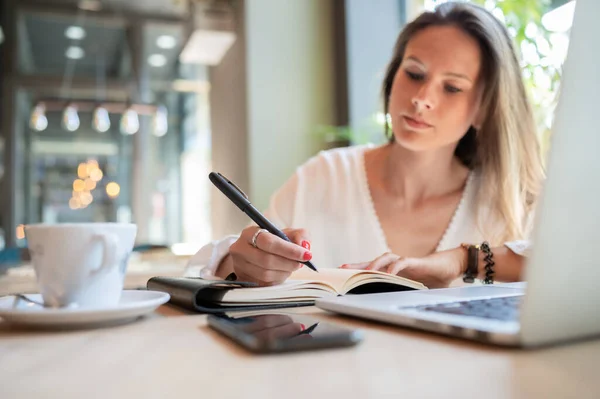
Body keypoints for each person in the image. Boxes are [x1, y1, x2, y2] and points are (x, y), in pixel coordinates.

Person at [186, 2, 544, 288]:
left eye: (451, 87)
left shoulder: (508, 200)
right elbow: (200, 269)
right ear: (393, 74)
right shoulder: (323, 177)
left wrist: (460, 261)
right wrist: (240, 263)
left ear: (484, 108)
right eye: (414, 74)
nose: (421, 98)